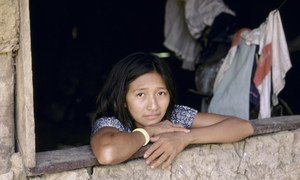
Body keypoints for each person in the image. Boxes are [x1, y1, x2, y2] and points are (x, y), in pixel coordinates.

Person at [90, 52, 254, 169]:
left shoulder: (175, 115)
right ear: (123, 99)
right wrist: (149, 131)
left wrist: (183, 138)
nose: (153, 105)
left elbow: (243, 127)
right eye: (141, 94)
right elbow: (108, 152)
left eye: (161, 93)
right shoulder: (112, 122)